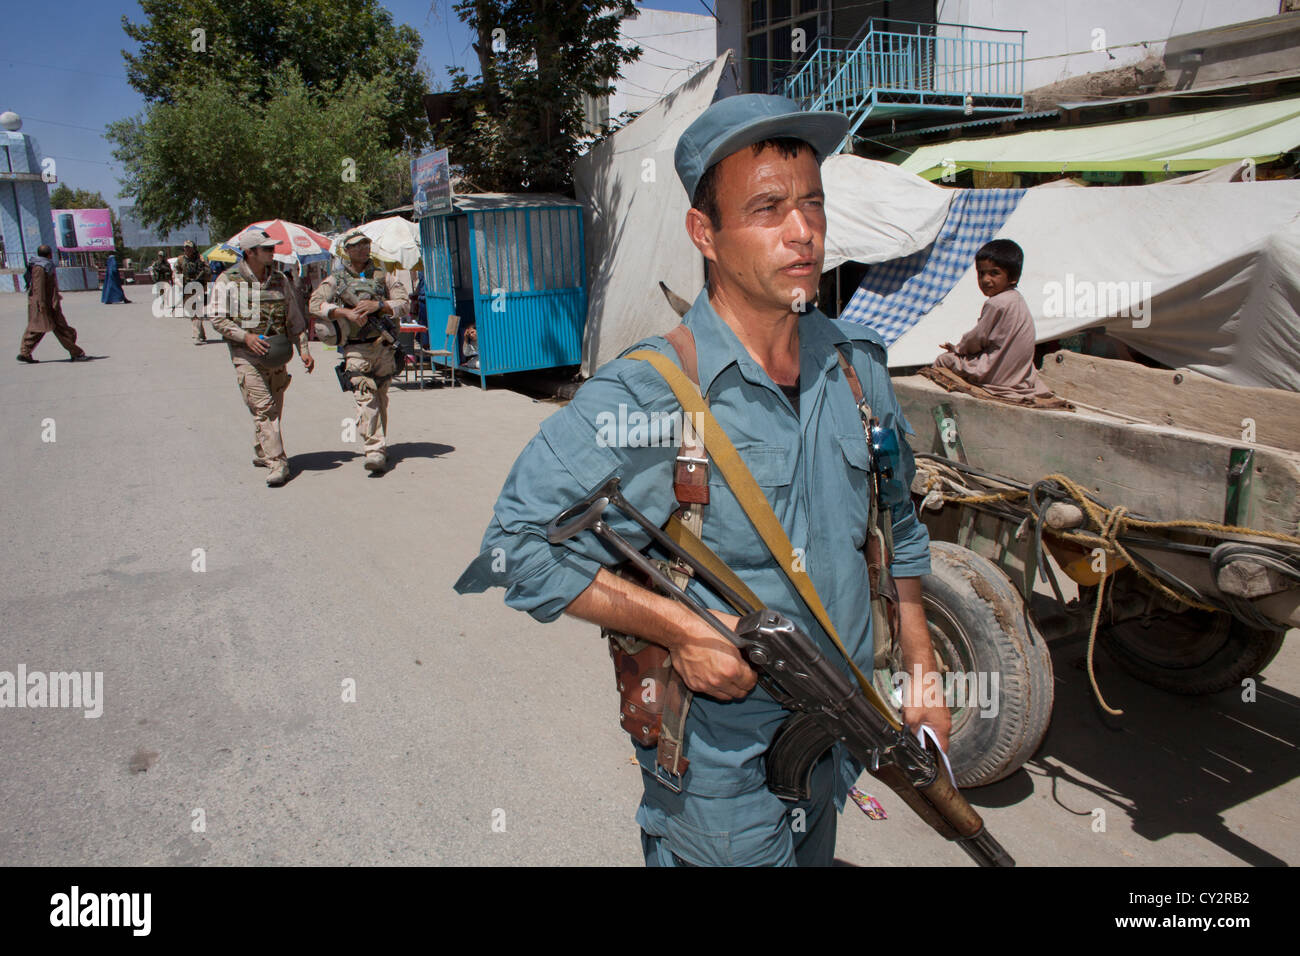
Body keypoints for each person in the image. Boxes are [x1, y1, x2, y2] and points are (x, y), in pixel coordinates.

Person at [454, 94, 950, 866]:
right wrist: (681, 627)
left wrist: (921, 670)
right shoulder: (651, 394)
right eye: (768, 208)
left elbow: (900, 527)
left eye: (813, 203)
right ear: (704, 234)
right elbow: (515, 550)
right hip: (724, 775)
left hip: (841, 737)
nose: (803, 231)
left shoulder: (858, 369)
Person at [210, 228, 314, 487]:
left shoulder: (280, 279)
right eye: (266, 249)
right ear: (250, 252)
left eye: (272, 248)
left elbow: (294, 317)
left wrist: (304, 348)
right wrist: (245, 337)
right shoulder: (228, 280)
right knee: (265, 408)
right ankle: (278, 462)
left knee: (274, 407)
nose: (272, 252)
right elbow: (217, 317)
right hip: (246, 355)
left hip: (277, 354)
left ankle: (262, 449)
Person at [309, 231, 409, 473]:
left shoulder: (384, 277)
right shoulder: (336, 279)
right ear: (347, 250)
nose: (363, 249)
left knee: (381, 398)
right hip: (355, 349)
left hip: (383, 346)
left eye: (366, 244)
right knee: (366, 397)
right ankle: (373, 449)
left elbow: (404, 303)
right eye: (357, 246)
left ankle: (379, 445)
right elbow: (314, 304)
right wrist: (344, 313)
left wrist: (381, 305)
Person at [933, 239, 1055, 401]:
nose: (985, 280)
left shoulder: (996, 303)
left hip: (995, 374)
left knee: (943, 360)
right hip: (1017, 376)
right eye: (981, 273)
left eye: (994, 273)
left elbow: (976, 339)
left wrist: (957, 349)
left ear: (1013, 277)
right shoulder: (1017, 299)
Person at [17, 245, 89, 363]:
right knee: (61, 329)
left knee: (38, 329)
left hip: (48, 303)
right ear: (50, 254)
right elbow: (38, 288)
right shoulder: (40, 267)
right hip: (45, 305)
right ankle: (76, 353)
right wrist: (41, 305)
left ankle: (25, 352)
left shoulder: (44, 265)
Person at [178, 239, 211, 344]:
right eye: (186, 248)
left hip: (199, 288)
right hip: (187, 289)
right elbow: (176, 273)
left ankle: (196, 336)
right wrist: (179, 284)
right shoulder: (180, 260)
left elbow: (208, 273)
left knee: (196, 312)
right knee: (193, 313)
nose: (187, 250)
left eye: (189, 248)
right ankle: (202, 334)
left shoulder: (200, 259)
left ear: (194, 248)